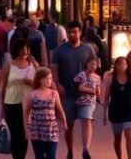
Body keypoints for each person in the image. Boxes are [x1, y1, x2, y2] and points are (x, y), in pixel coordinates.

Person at [50, 21, 94, 159]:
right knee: (69, 125)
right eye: (69, 32)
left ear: (80, 32)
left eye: (74, 32)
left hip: (85, 94)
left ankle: (85, 149)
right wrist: (58, 86)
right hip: (67, 94)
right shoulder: (59, 50)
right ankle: (70, 150)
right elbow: (54, 70)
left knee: (86, 119)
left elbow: (94, 67)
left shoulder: (88, 49)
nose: (71, 35)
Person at [0, 38, 37, 159]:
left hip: (29, 105)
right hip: (12, 103)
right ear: (17, 49)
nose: (25, 51)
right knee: (16, 134)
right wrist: (2, 107)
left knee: (24, 134)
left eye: (27, 48)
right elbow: (3, 87)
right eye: (22, 48)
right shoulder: (9, 65)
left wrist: (31, 82)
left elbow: (42, 84)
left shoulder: (34, 65)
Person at [100, 55, 131, 159]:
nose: (121, 65)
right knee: (117, 137)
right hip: (115, 110)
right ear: (115, 65)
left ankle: (130, 157)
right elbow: (107, 96)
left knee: (128, 133)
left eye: (123, 63)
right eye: (119, 63)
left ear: (127, 65)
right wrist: (104, 114)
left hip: (128, 110)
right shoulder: (111, 79)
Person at [24, 68, 66, 159]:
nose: (49, 80)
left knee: (51, 156)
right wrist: (27, 129)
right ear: (40, 79)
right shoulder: (32, 94)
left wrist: (64, 122)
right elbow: (26, 113)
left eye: (50, 78)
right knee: (39, 156)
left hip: (52, 130)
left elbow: (60, 110)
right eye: (47, 78)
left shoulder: (54, 94)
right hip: (37, 130)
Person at [72, 57, 101, 159]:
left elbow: (97, 91)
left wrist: (98, 95)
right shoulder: (82, 74)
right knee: (82, 122)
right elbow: (78, 86)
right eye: (91, 64)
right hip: (79, 101)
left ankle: (86, 149)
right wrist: (91, 90)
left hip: (89, 102)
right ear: (87, 64)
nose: (93, 66)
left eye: (95, 65)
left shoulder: (97, 78)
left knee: (86, 121)